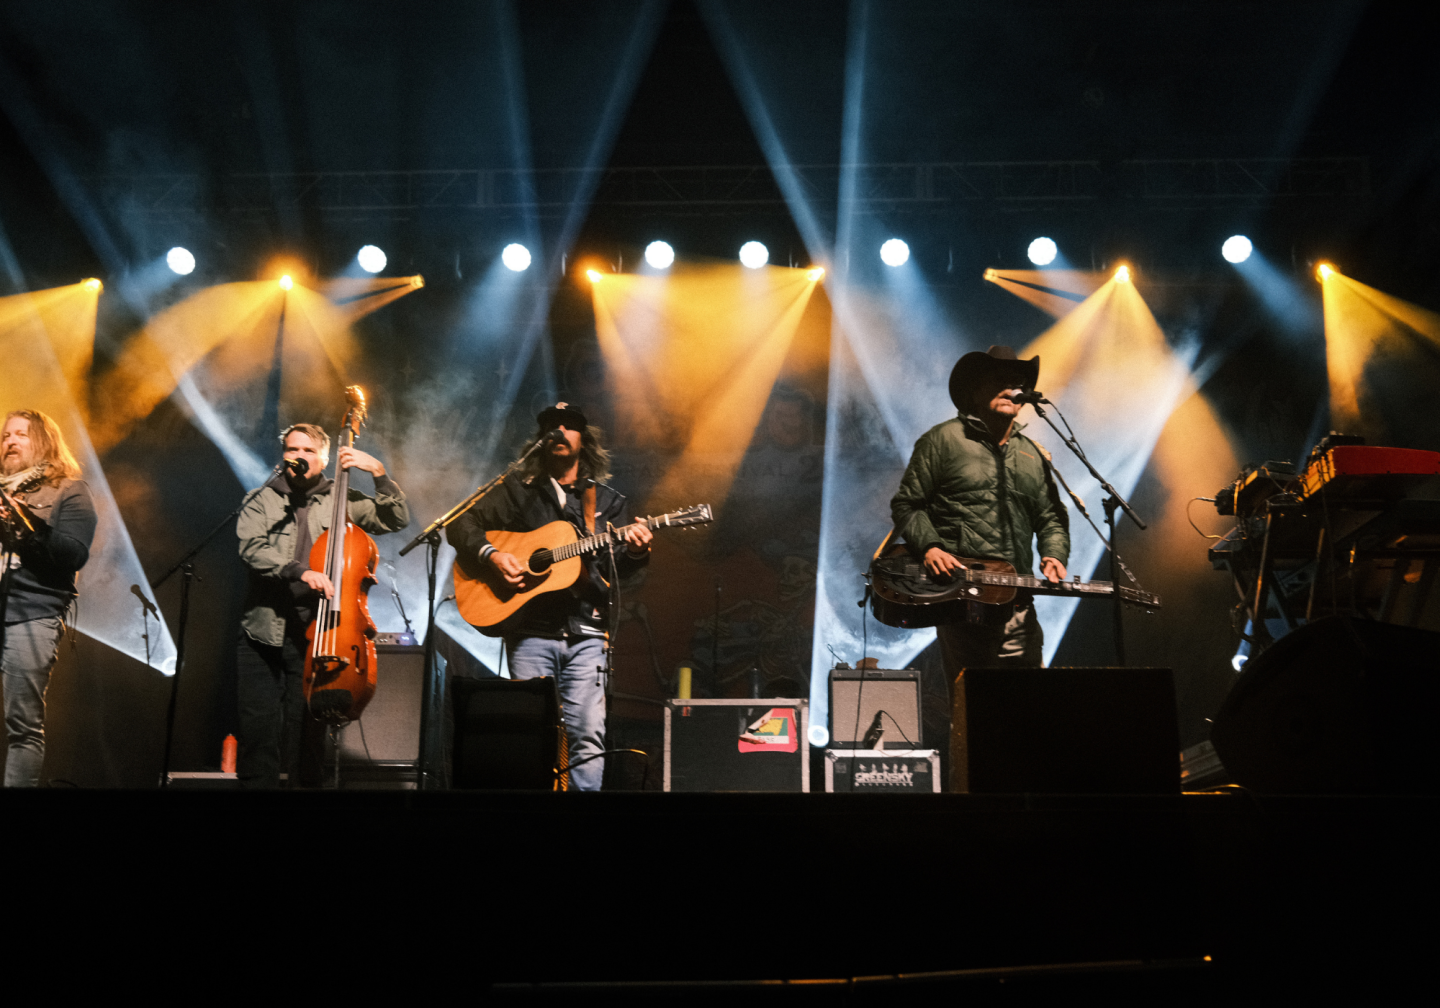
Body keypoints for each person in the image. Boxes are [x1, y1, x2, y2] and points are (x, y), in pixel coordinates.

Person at [448, 403, 652, 791]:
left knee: (587, 734)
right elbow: (461, 524)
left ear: (583, 439)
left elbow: (619, 572)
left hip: (587, 634)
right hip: (530, 631)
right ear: (541, 441)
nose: (560, 430)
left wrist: (638, 550)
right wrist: (492, 556)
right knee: (529, 731)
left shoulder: (607, 502)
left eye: (570, 425)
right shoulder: (515, 491)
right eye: (551, 427)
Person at [236, 423, 409, 788]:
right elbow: (251, 548)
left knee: (307, 740)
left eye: (308, 451)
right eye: (292, 450)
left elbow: (395, 519)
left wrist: (378, 473)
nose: (299, 457)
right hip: (262, 631)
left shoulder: (342, 499)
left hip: (318, 636)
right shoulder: (260, 498)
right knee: (258, 734)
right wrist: (300, 572)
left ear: (325, 459)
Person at [890, 346, 1070, 670]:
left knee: (1032, 710)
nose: (1012, 388)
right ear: (973, 392)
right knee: (975, 708)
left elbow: (1050, 517)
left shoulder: (1032, 455)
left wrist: (1054, 553)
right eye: (999, 379)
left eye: (1016, 382)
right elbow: (907, 504)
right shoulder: (942, 441)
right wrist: (930, 547)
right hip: (963, 606)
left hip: (1018, 606)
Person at [0, 410, 95, 787]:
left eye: (21, 434)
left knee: (22, 725)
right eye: (6, 435)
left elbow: (74, 554)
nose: (10, 441)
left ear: (43, 441)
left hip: (30, 612)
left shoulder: (69, 491)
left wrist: (25, 525)